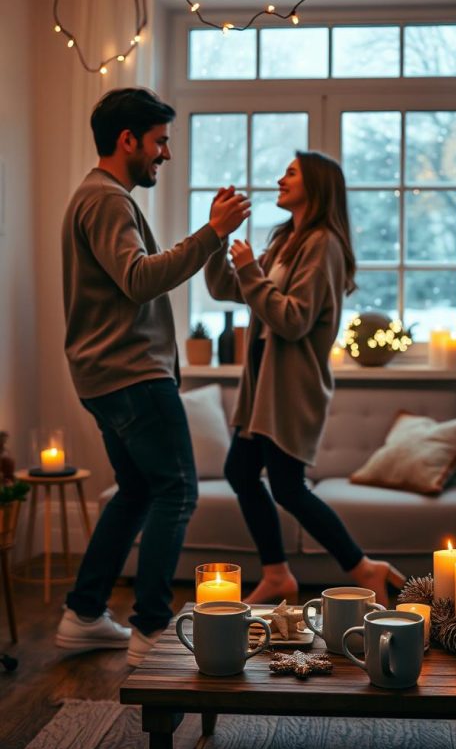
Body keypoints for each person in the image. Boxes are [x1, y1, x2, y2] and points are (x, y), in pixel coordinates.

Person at [56, 87, 250, 665]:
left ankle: (83, 614)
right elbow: (138, 279)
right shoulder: (107, 200)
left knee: (139, 491)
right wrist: (211, 233)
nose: (165, 154)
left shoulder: (99, 198)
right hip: (132, 376)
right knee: (177, 491)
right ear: (128, 140)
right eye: (159, 142)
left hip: (108, 376)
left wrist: (211, 236)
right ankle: (151, 630)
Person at [205, 151, 405, 606]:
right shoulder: (286, 241)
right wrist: (218, 237)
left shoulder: (323, 245)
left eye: (291, 173)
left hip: (291, 389)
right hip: (262, 386)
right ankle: (278, 574)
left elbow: (294, 320)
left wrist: (250, 270)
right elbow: (225, 288)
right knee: (241, 471)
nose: (281, 179)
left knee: (287, 487)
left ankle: (362, 568)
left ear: (316, 185)